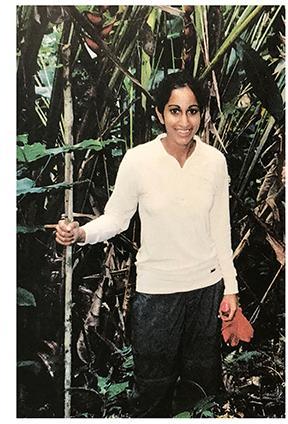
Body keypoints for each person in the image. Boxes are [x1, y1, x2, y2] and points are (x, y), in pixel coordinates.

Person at [55, 72, 239, 417]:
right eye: (174, 111)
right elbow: (116, 218)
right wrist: (80, 234)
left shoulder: (214, 162)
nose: (184, 122)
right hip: (157, 297)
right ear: (159, 113)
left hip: (206, 292)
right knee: (152, 392)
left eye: (193, 111)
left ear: (202, 114)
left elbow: (220, 229)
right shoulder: (138, 160)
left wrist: (230, 288)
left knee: (200, 391)